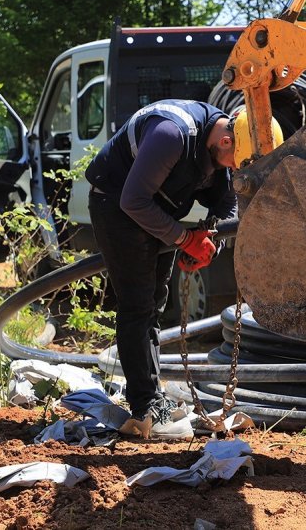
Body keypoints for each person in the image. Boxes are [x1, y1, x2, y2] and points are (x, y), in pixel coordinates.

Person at [85, 99, 281, 440]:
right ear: (225, 141)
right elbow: (132, 201)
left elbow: (225, 202)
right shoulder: (170, 135)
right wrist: (182, 239)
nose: (235, 169)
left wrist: (207, 238)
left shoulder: (221, 140)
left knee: (155, 306)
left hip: (155, 204)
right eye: (236, 162)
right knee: (137, 305)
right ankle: (145, 404)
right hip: (118, 204)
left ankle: (152, 399)